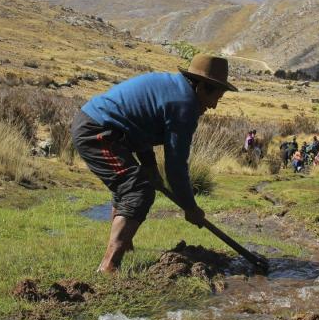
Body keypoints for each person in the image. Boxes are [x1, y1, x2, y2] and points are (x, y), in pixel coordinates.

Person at [71, 54, 237, 273]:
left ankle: (124, 246)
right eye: (216, 96)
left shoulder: (175, 89)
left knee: (131, 185)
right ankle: (109, 265)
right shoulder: (184, 105)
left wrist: (150, 167)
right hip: (98, 132)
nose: (214, 106)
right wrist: (190, 207)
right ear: (201, 88)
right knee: (137, 189)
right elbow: (176, 165)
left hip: (104, 128)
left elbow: (139, 129)